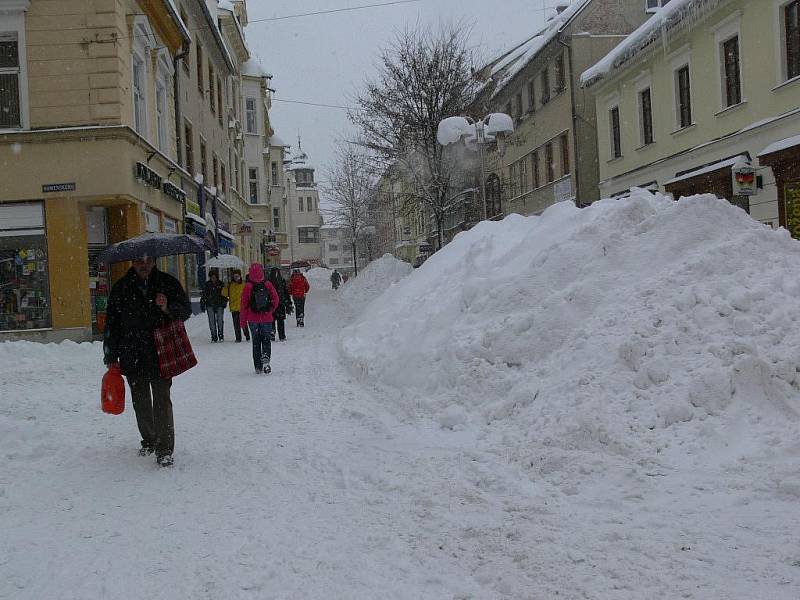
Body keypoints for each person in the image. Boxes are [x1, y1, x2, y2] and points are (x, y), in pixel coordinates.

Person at [103, 256, 191, 467]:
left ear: (154, 262)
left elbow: (185, 310)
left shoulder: (167, 283)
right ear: (132, 262)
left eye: (148, 260)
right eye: (139, 261)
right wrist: (110, 355)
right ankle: (150, 439)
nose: (144, 265)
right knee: (140, 402)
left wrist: (167, 307)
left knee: (162, 400)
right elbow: (112, 324)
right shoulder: (121, 287)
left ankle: (164, 449)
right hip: (131, 353)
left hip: (161, 352)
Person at [240, 263, 280, 374]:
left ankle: (258, 366)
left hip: (253, 319)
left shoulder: (248, 286)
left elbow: (243, 305)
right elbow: (276, 298)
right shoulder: (267, 284)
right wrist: (270, 309)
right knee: (266, 340)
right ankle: (266, 357)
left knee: (256, 342)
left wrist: (243, 323)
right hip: (266, 318)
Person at [200, 269, 227, 342]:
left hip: (219, 305)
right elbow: (204, 294)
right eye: (212, 277)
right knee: (212, 322)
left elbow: (224, 295)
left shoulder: (221, 284)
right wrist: (202, 302)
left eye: (214, 277)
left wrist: (224, 302)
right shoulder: (207, 284)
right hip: (210, 305)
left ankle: (221, 335)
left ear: (217, 277)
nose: (213, 278)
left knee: (220, 321)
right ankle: (214, 336)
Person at [224, 269, 250, 343]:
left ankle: (247, 334)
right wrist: (225, 287)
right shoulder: (230, 285)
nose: (236, 278)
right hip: (234, 307)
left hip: (242, 307)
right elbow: (225, 294)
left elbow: (247, 294)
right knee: (236, 324)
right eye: (234, 276)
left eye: (237, 276)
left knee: (243, 323)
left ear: (240, 276)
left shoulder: (244, 284)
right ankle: (238, 337)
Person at [267, 267, 292, 342]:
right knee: (274, 320)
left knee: (278, 320)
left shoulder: (279, 281)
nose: (276, 274)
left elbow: (286, 292)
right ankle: (275, 334)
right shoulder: (270, 282)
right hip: (274, 303)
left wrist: (288, 301)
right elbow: (285, 292)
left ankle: (279, 335)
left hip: (278, 303)